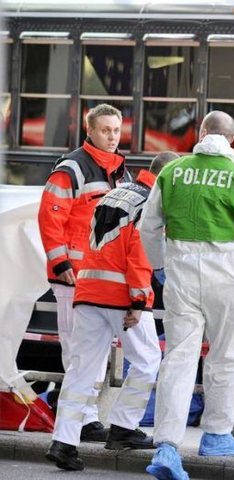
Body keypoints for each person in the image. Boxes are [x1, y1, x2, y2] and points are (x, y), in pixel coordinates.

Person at [140, 110, 234, 480]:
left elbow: (148, 227)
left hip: (181, 278)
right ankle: (217, 435)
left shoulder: (172, 173)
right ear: (232, 139)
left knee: (178, 359)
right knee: (224, 357)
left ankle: (167, 446)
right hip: (226, 279)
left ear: (202, 132)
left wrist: (158, 264)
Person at [44, 151, 180, 471]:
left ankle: (63, 442)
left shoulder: (115, 193)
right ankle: (123, 427)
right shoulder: (151, 203)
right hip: (121, 295)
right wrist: (139, 299)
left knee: (81, 369)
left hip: (88, 290)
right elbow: (139, 252)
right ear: (167, 177)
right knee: (147, 359)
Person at [37, 103, 131, 442]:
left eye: (116, 130)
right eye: (105, 130)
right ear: (89, 130)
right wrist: (61, 264)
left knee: (96, 351)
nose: (112, 136)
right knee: (77, 350)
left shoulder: (120, 171)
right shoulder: (72, 168)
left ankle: (84, 417)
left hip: (99, 278)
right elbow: (50, 216)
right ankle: (82, 419)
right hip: (73, 276)